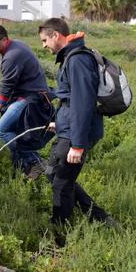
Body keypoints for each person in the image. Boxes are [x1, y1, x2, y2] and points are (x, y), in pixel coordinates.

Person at [38, 18, 115, 239]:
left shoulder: (78, 60)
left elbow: (83, 103)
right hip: (69, 128)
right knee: (57, 175)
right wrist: (58, 122)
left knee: (60, 180)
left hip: (76, 134)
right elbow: (70, 100)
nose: (44, 45)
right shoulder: (72, 57)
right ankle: (99, 217)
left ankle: (60, 232)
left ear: (56, 35)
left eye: (45, 40)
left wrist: (78, 145)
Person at [0, 25, 54, 179]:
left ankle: (33, 162)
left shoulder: (12, 56)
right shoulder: (16, 45)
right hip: (32, 95)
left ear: (4, 39)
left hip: (30, 98)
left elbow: (6, 87)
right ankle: (28, 166)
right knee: (14, 132)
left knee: (0, 131)